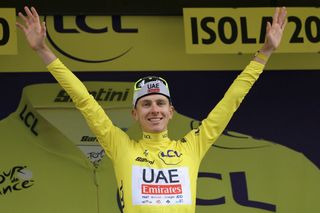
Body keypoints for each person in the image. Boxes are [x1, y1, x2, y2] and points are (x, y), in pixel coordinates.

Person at [16, 6, 287, 213]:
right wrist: (43, 51)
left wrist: (263, 54)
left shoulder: (191, 146)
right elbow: (84, 100)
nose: (154, 109)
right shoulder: (121, 146)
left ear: (171, 111)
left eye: (160, 103)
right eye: (145, 103)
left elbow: (231, 102)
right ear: (134, 114)